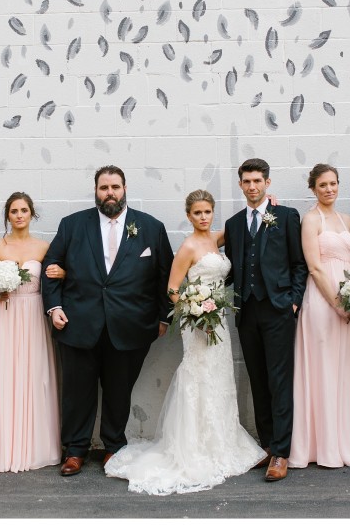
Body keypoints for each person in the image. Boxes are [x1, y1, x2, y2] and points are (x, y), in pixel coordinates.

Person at [105, 190, 265, 495]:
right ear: (189, 215)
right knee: (199, 376)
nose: (203, 218)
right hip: (198, 323)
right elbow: (173, 289)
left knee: (218, 377)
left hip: (218, 319)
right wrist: (193, 310)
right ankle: (194, 446)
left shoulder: (216, 239)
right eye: (197, 213)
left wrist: (269, 204)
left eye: (207, 212)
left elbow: (244, 227)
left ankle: (221, 441)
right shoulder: (189, 246)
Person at [41, 165, 173, 476]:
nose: (109, 193)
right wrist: (53, 307)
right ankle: (75, 450)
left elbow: (166, 275)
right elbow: (51, 266)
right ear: (96, 191)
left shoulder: (151, 227)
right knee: (77, 390)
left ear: (125, 189)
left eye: (115, 187)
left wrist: (163, 318)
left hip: (130, 327)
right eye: (104, 188)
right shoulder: (73, 225)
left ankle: (114, 446)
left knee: (118, 390)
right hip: (78, 324)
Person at [222, 158, 308, 482]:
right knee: (258, 381)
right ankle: (268, 446)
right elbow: (232, 269)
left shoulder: (286, 216)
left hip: (278, 310)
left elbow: (299, 264)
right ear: (241, 184)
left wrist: (294, 302)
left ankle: (282, 453)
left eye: (258, 181)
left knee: (279, 381)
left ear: (267, 183)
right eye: (246, 181)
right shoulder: (232, 224)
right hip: (247, 312)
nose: (252, 186)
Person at [0, 192, 64, 473]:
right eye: (14, 211)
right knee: (5, 374)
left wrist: (62, 274)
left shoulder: (43, 247)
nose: (19, 215)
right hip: (4, 316)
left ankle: (37, 446)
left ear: (31, 214)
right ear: (7, 215)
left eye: (24, 210)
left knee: (34, 375)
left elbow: (55, 277)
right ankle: (3, 447)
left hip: (33, 316)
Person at [288, 164, 350, 469]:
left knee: (344, 369)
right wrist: (337, 302)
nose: (329, 189)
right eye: (323, 185)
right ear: (313, 189)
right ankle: (321, 446)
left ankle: (343, 441)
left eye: (333, 184)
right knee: (322, 368)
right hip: (322, 301)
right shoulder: (310, 220)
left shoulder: (346, 219)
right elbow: (315, 267)